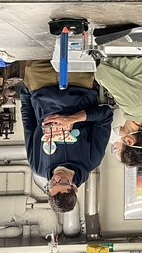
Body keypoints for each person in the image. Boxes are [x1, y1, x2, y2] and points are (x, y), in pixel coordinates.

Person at [20, 61, 113, 213]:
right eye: (62, 182)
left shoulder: (37, 166)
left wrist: (26, 89)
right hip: (77, 82)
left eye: (52, 184)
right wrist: (72, 119)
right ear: (74, 187)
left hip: (38, 84)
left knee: (35, 41)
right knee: (70, 39)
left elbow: (29, 123)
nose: (56, 178)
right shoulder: (91, 159)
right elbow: (105, 115)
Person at [95, 56, 142, 167]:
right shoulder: (136, 107)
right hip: (128, 51)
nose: (114, 144)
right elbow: (101, 73)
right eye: (116, 148)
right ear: (129, 141)